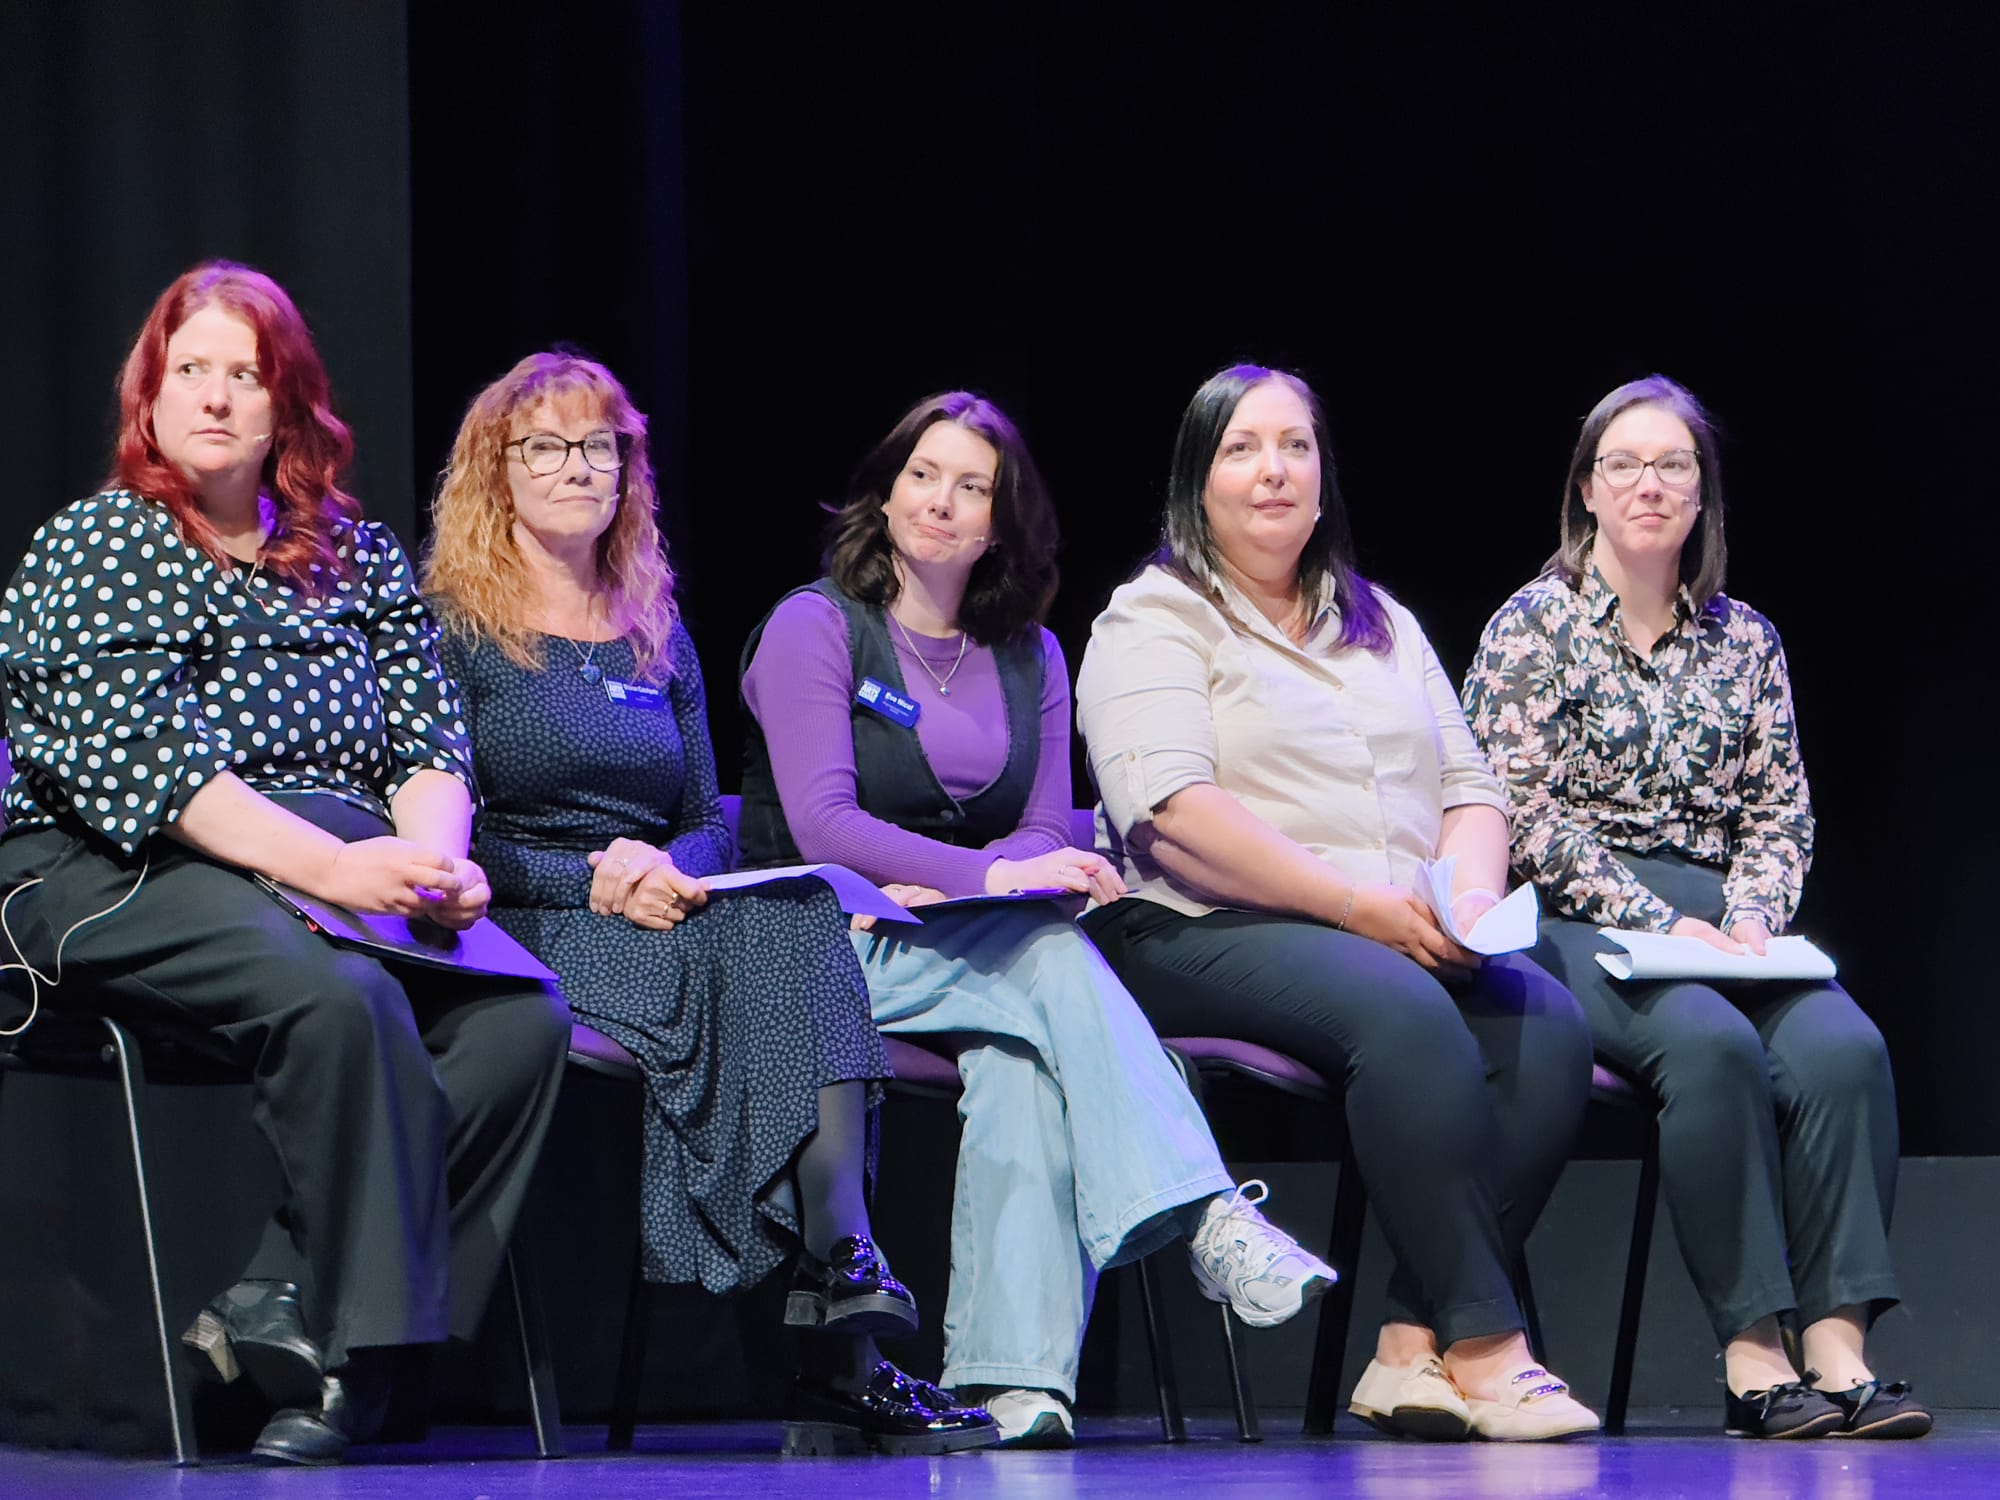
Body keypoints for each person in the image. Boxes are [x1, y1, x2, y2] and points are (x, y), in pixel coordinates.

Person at [0, 262, 571, 1465]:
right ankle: (366, 1372)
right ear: (149, 400)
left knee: (518, 1013)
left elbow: (428, 736)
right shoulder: (99, 544)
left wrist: (430, 862)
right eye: (188, 371)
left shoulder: (352, 554)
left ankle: (279, 1302)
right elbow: (154, 769)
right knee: (344, 1000)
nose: (213, 397)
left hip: (333, 862)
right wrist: (337, 875)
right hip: (125, 862)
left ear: (288, 407)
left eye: (243, 374)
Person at [421, 352, 994, 1457]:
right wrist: (586, 876)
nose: (580, 468)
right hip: (524, 914)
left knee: (794, 918)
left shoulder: (652, 622)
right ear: (495, 470)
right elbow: (449, 814)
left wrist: (664, 864)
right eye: (547, 446)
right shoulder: (450, 625)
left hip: (663, 899)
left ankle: (842, 1268)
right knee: (770, 980)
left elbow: (704, 806)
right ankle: (846, 1360)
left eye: (601, 447)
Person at [738, 390, 1336, 1450]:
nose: (941, 502)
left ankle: (1012, 1387)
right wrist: (978, 874)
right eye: (923, 475)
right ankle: (1207, 1217)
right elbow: (826, 823)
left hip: (962, 945)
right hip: (821, 948)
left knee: (1025, 1049)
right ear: (882, 493)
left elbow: (1044, 827)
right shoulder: (814, 626)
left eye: (973, 488)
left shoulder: (1033, 654)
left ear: (1000, 524)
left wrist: (982, 880)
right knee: (1053, 959)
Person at [1075, 363, 1600, 1443]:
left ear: (1323, 476)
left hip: (1386, 926)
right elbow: (1172, 813)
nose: (1273, 470)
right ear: (1198, 481)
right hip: (1191, 926)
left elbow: (1469, 791)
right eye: (1241, 448)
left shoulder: (1382, 623)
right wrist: (1359, 907)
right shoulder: (1152, 616)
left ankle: (1408, 1348)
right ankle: (1490, 1353)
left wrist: (1461, 897)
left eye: (1295, 446)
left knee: (1543, 1021)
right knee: (1401, 1013)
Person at [1461, 374, 1928, 1440]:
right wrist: (1650, 916)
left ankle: (1838, 1349)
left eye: (1673, 465)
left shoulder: (1743, 639)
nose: (1649, 485)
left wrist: (1755, 917)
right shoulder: (1533, 626)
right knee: (1710, 1048)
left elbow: (1778, 809)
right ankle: (1752, 1352)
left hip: (1723, 923)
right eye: (1622, 465)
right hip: (1575, 919)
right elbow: (1515, 808)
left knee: (1842, 1049)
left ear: (1701, 492)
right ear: (1585, 490)